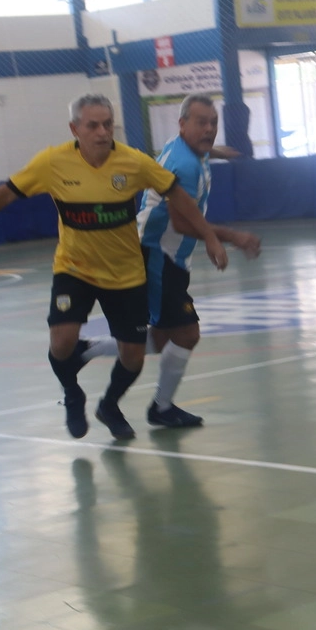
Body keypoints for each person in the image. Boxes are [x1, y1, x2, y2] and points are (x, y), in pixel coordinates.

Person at [0, 94, 228, 440]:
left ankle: (110, 404)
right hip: (75, 268)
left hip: (125, 272)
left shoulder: (133, 162)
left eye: (107, 125)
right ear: (75, 129)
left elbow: (175, 192)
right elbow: (3, 195)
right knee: (62, 342)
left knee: (133, 356)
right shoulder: (53, 163)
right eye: (93, 125)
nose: (102, 132)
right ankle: (73, 393)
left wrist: (211, 237)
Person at [81, 95, 261, 428]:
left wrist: (215, 150)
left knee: (163, 337)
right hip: (157, 255)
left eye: (213, 122)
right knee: (187, 333)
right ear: (182, 125)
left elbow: (190, 156)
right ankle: (154, 407)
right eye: (200, 122)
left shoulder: (184, 148)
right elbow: (181, 222)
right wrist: (231, 237)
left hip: (166, 256)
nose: (208, 129)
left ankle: (87, 351)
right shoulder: (186, 166)